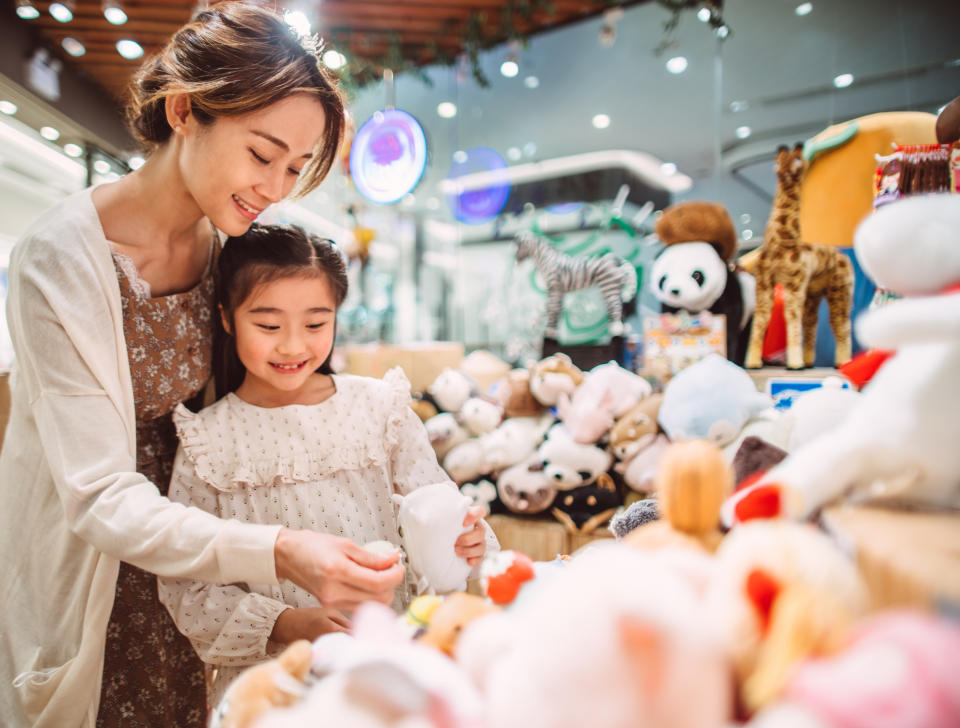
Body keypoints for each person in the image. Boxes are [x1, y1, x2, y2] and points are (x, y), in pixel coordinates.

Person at [0, 4, 406, 727]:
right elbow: (95, 494)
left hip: (201, 565)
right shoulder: (60, 258)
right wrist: (281, 552)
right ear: (186, 110)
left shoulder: (226, 253)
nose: (277, 187)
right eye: (262, 153)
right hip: (93, 566)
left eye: (293, 166)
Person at [157, 224, 495, 708]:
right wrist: (286, 625)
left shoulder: (380, 408)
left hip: (390, 664)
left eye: (316, 324)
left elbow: (435, 508)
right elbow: (186, 585)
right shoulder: (208, 439)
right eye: (269, 326)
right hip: (275, 687)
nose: (293, 346)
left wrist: (467, 539)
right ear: (227, 319)